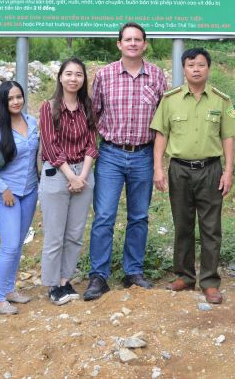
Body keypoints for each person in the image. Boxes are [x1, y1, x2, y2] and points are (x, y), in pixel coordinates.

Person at [83, 22, 168, 301]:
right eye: (127, 39)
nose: (133, 43)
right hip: (110, 154)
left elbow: (161, 124)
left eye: (138, 39)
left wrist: (158, 164)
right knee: (104, 216)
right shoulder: (105, 75)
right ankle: (98, 275)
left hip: (143, 154)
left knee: (139, 217)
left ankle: (133, 271)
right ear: (119, 44)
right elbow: (93, 116)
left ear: (145, 44)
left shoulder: (156, 76)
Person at [152, 47, 235, 305]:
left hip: (211, 169)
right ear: (184, 69)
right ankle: (184, 275)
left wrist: (227, 171)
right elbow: (161, 135)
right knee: (182, 224)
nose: (196, 69)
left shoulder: (220, 100)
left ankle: (210, 282)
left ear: (208, 68)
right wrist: (158, 168)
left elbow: (228, 138)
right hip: (179, 169)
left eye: (201, 65)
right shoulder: (170, 100)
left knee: (211, 227)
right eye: (191, 65)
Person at [0, 81, 40, 314]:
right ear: (3, 101)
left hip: (30, 191)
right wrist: (3, 188)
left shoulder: (32, 123)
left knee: (19, 243)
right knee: (10, 245)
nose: (15, 102)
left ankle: (10, 289)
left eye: (19, 97)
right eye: (10, 98)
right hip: (7, 196)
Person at [39, 57, 98, 305]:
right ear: (60, 77)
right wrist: (71, 176)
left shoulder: (88, 107)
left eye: (79, 75)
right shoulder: (48, 107)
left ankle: (66, 280)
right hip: (57, 175)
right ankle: (53, 285)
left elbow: (92, 144)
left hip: (84, 175)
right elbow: (50, 146)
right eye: (69, 74)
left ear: (84, 79)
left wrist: (82, 176)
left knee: (74, 234)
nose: (74, 79)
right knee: (55, 235)